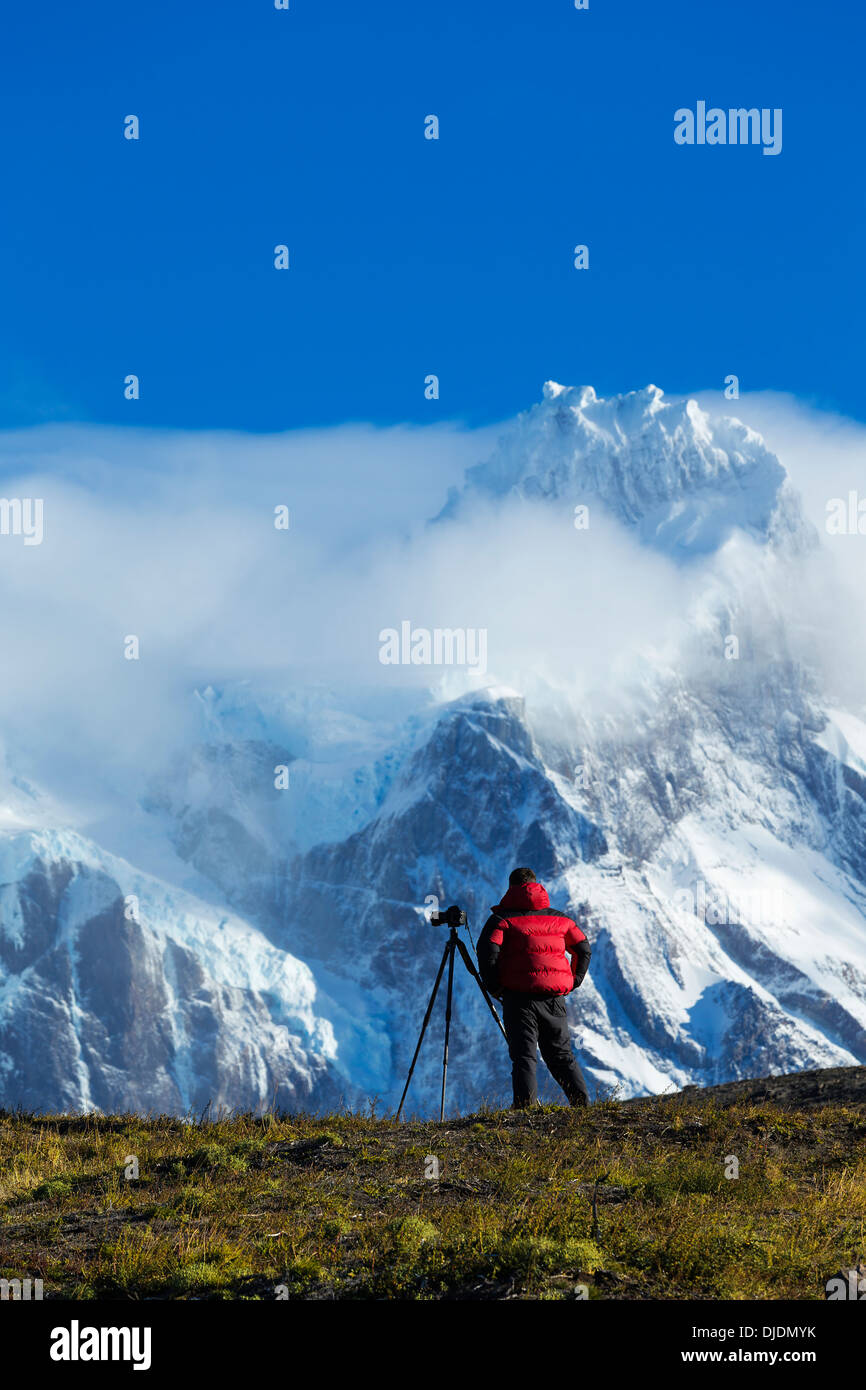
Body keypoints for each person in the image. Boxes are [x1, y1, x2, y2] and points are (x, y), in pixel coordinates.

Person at [478, 867, 591, 1109]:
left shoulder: (502, 920)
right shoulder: (561, 920)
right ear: (537, 886)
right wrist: (573, 980)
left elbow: (487, 951)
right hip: (554, 998)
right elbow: (583, 948)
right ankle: (582, 1106)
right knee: (561, 1056)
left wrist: (495, 987)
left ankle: (524, 1108)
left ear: (510, 889)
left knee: (524, 1057)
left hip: (519, 998)